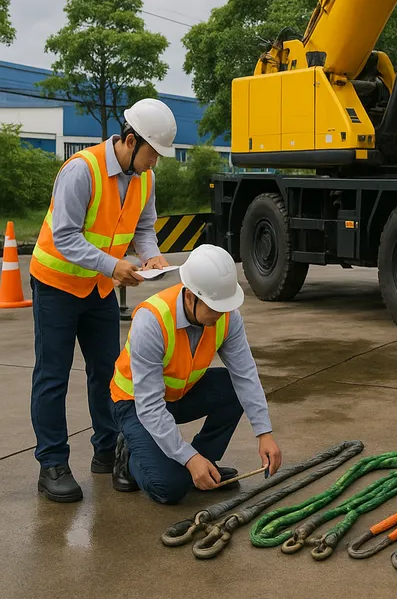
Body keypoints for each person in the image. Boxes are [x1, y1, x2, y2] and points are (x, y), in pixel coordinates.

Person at [29, 98, 177, 503]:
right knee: (53, 376)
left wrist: (151, 255)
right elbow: (65, 236)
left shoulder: (144, 177)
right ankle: (52, 464)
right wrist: (113, 265)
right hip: (57, 285)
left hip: (98, 289)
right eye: (153, 154)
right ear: (131, 141)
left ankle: (107, 450)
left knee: (106, 374)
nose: (155, 164)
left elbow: (144, 228)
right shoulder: (82, 170)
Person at [109, 244, 283, 504]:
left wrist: (264, 433)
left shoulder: (226, 317)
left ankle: (205, 464)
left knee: (232, 386)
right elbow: (150, 406)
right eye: (214, 307)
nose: (221, 314)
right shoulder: (151, 321)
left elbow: (245, 374)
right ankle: (129, 454)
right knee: (168, 489)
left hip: (179, 396)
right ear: (190, 296)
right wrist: (187, 458)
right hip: (135, 404)